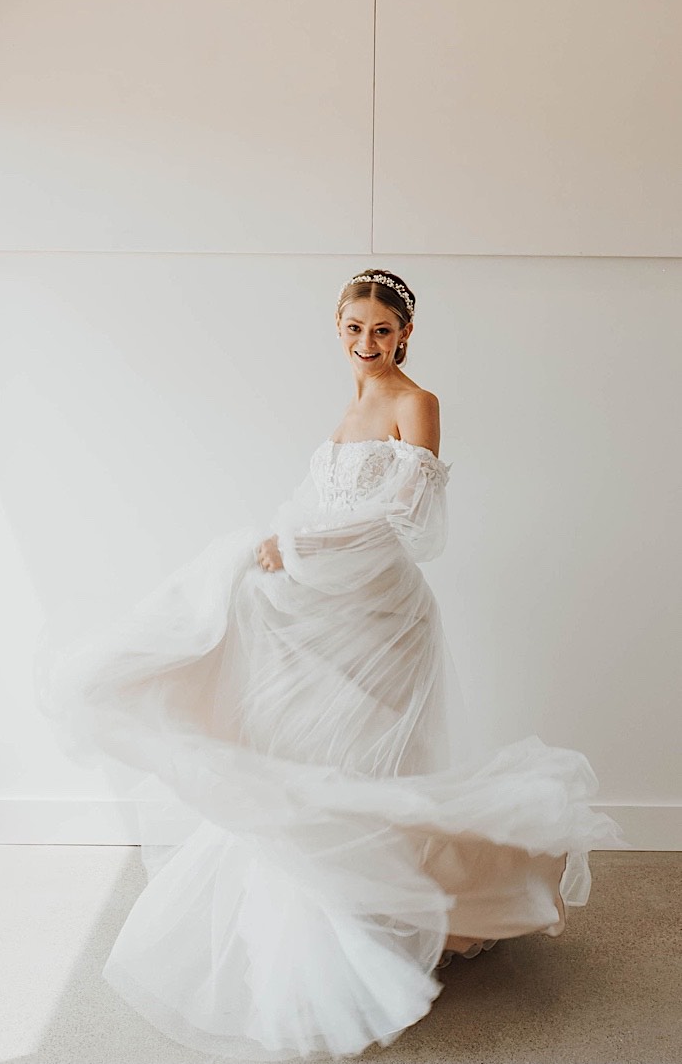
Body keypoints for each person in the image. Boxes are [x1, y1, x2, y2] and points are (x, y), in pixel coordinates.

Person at [38, 269, 622, 1060]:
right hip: (331, 595)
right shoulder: (347, 408)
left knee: (363, 760)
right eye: (353, 327)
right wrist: (277, 548)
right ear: (338, 328)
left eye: (381, 330)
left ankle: (385, 919)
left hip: (385, 611)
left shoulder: (418, 403)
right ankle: (348, 910)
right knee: (285, 720)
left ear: (405, 333)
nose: (366, 342)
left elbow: (407, 521)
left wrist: (302, 546)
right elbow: (315, 507)